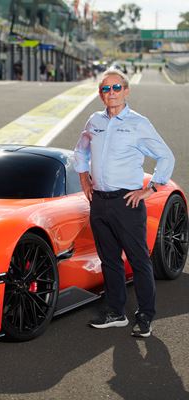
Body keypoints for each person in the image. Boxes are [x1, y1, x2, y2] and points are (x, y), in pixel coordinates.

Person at [73, 68, 175, 338]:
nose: (111, 93)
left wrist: (150, 188)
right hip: (99, 202)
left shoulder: (139, 124)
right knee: (109, 260)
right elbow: (81, 150)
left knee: (139, 260)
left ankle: (145, 315)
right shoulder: (94, 120)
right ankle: (116, 312)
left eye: (116, 88)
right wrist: (84, 180)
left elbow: (166, 157)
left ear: (126, 91)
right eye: (106, 89)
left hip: (127, 202)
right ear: (100, 94)